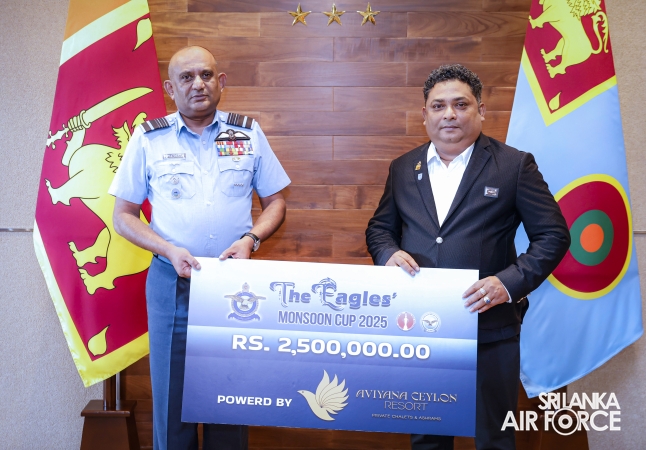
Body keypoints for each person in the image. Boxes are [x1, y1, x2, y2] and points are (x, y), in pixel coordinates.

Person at [365, 64, 570, 450]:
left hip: (489, 329)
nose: (449, 114)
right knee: (427, 438)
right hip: (420, 331)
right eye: (438, 106)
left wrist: (507, 283)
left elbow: (553, 235)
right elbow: (380, 229)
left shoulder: (514, 165)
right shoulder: (403, 168)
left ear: (481, 110)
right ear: (424, 114)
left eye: (461, 104)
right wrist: (388, 253)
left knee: (494, 439)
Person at [109, 46, 290, 450]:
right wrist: (168, 249)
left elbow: (276, 202)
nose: (198, 85)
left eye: (206, 75)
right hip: (171, 281)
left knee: (229, 398)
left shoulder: (247, 133)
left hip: (234, 288)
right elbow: (123, 216)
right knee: (172, 403)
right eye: (186, 77)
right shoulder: (149, 139)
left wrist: (251, 239)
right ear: (170, 88)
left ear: (220, 82)